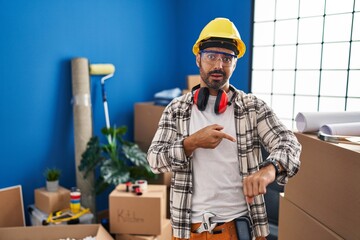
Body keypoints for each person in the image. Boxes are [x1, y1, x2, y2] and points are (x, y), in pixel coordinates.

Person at [147, 17, 301, 240]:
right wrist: (192, 143)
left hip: (239, 228)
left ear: (235, 63)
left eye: (227, 58)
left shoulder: (253, 108)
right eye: (211, 56)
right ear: (198, 59)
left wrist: (270, 170)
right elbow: (154, 160)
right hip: (188, 230)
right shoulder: (176, 109)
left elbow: (290, 144)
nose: (218, 65)